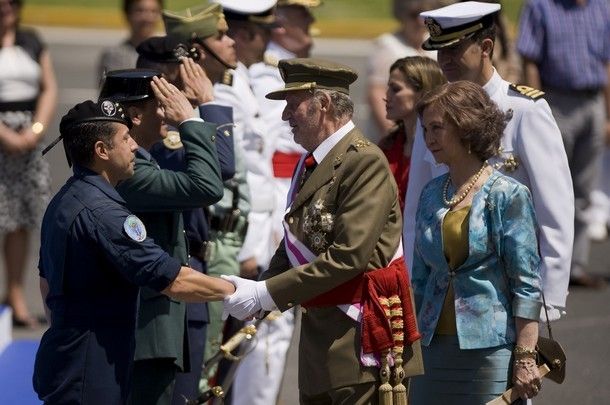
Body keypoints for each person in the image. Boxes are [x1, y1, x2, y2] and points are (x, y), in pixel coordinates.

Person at [223, 58, 423, 405]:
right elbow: (298, 240)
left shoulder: (364, 162)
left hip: (360, 341)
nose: (285, 116)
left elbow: (349, 257)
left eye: (292, 105)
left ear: (324, 104)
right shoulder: (313, 162)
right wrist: (259, 288)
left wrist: (267, 293)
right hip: (321, 342)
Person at [33, 99, 235, 405]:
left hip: (70, 354)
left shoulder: (67, 199)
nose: (132, 147)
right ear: (102, 151)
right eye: (125, 139)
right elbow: (173, 280)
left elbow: (46, 284)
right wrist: (242, 291)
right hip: (94, 367)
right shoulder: (104, 213)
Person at [404, 1, 574, 320]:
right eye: (440, 50)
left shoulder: (525, 111)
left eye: (455, 49)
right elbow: (416, 208)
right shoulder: (432, 113)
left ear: (485, 47)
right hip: (441, 291)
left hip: (508, 288)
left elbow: (555, 211)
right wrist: (416, 287)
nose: (445, 60)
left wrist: (546, 302)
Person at [410, 80, 543, 405]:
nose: (428, 138)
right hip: (430, 350)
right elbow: (419, 279)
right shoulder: (430, 194)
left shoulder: (508, 195)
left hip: (488, 349)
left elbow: (525, 283)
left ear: (466, 126)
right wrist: (405, 344)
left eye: (437, 128)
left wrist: (525, 357)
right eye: (425, 129)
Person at [99, 70, 225, 405]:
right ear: (136, 115)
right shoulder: (130, 173)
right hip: (146, 332)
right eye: (162, 103)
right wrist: (190, 121)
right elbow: (207, 186)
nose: (170, 109)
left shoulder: (141, 162)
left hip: (151, 326)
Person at [161, 4, 252, 396]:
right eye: (220, 36)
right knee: (191, 385)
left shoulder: (224, 93)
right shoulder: (174, 110)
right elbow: (222, 170)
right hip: (181, 266)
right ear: (195, 51)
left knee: (213, 373)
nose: (232, 42)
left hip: (213, 251)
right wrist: (208, 103)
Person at [242, 1, 322, 402]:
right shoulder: (270, 72)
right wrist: (275, 225)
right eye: (304, 16)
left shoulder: (288, 66)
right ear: (281, 23)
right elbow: (262, 156)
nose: (312, 25)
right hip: (274, 205)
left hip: (285, 197)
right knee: (267, 325)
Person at [517, 0, 610, 289]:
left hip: (592, 101)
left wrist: (607, 114)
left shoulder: (602, 7)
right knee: (546, 188)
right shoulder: (540, 6)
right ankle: (539, 265)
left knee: (583, 190)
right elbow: (530, 60)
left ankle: (575, 266)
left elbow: (607, 63)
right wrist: (538, 107)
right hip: (555, 102)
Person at [0, 0, 57, 328]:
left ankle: (16, 293)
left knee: (20, 219)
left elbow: (48, 88)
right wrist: (5, 135)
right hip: (2, 135)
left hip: (27, 136)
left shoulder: (31, 41)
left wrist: (35, 129)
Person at [380, 55, 446, 212]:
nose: (386, 96)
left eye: (396, 89)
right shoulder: (388, 145)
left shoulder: (440, 146)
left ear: (423, 93)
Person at [366, 0, 440, 137]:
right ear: (401, 16)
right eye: (413, 15)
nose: (419, 21)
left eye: (425, 16)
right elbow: (377, 93)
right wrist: (392, 134)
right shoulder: (388, 46)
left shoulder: (436, 43)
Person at [97, 0, 163, 83]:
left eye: (153, 11)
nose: (147, 18)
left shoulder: (170, 55)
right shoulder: (113, 56)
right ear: (127, 14)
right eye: (140, 11)